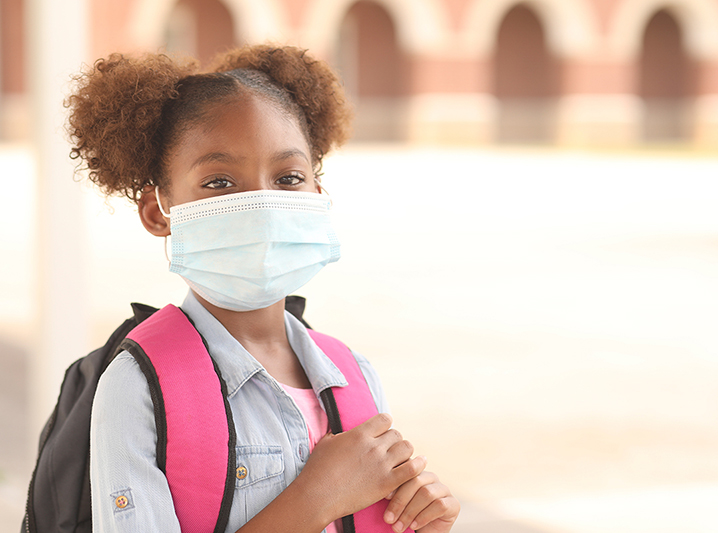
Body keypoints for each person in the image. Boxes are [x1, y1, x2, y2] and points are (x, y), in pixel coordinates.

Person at [68, 44, 460, 533]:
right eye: (219, 182)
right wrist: (317, 497)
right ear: (158, 212)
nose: (261, 203)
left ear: (317, 194)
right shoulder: (138, 386)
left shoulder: (354, 376)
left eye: (288, 177)